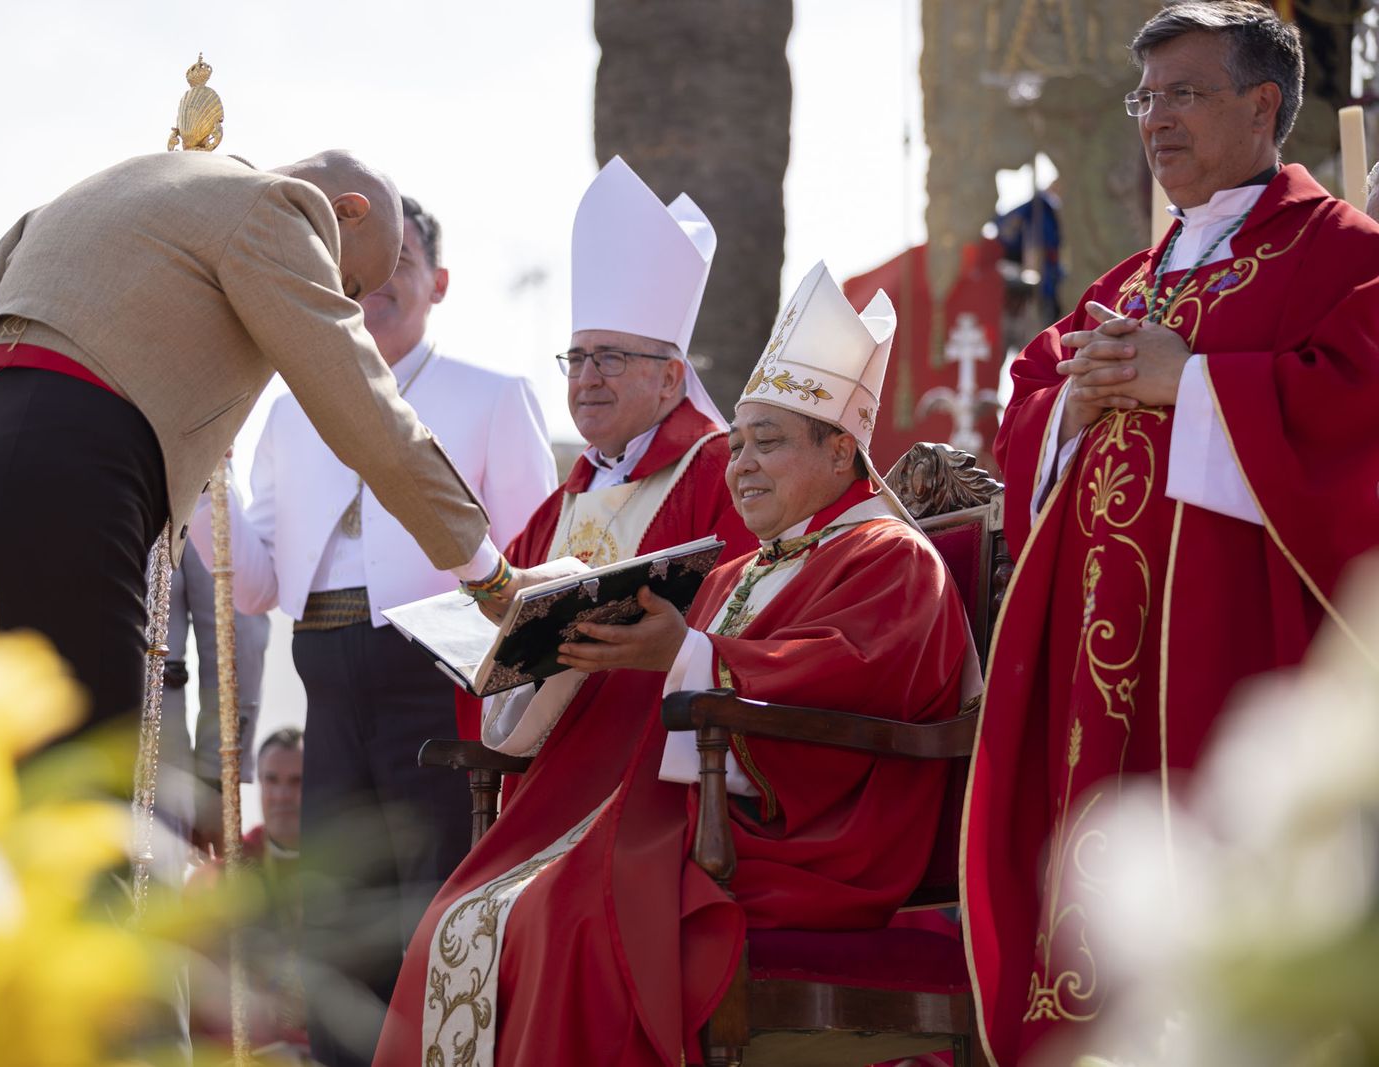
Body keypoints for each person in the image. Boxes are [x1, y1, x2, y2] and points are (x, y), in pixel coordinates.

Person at [374, 262, 980, 1067]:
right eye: (737, 446)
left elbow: (845, 679)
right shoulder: (740, 570)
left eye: (768, 443)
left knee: (570, 911)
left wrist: (687, 653)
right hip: (704, 822)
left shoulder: (890, 557)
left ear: (842, 451)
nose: (742, 465)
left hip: (811, 844)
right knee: (466, 910)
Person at [962, 5, 1379, 1063]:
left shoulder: (1343, 255)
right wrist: (1071, 403)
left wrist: (1190, 383)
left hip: (1237, 653)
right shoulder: (1130, 282)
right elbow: (1026, 401)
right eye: (1144, 98)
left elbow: (1356, 416)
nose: (1156, 120)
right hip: (1098, 679)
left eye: (1183, 93)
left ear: (1263, 106)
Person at [0, 148, 533, 737]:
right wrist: (489, 575)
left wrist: (16, 432)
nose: (348, 311)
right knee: (83, 784)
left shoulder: (91, 191)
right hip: (71, 496)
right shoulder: (279, 211)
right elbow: (367, 415)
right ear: (345, 211)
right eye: (347, 288)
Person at [189, 196, 556, 1064]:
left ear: (440, 282)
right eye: (358, 268)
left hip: (441, 680)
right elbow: (257, 583)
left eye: (400, 262)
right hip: (327, 677)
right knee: (337, 918)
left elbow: (535, 558)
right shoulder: (288, 414)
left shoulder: (493, 397)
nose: (376, 283)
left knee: (433, 904)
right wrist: (203, 468)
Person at [454, 155, 756, 741]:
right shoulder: (562, 503)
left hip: (649, 744)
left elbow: (740, 618)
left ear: (670, 377)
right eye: (576, 358)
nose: (587, 378)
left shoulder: (722, 471)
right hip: (545, 754)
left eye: (611, 358)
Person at [188, 728, 308, 1058]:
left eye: (296, 782)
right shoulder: (217, 880)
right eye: (272, 780)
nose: (282, 795)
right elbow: (195, 991)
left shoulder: (347, 872)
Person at [160, 534, 271, 850]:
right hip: (155, 759)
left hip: (153, 758)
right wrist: (214, 778)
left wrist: (215, 776)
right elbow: (236, 630)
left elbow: (233, 625)